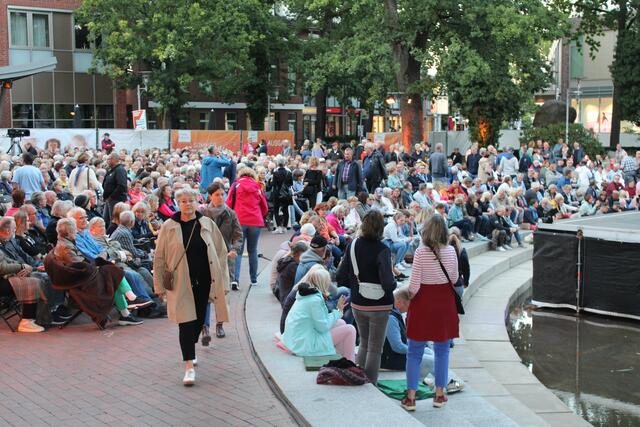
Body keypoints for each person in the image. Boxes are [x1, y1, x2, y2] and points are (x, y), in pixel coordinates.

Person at [153, 187, 230, 386]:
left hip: (204, 281)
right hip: (180, 283)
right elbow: (159, 257)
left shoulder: (207, 224)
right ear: (178, 204)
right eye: (183, 201)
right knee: (185, 323)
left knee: (198, 321)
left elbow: (221, 252)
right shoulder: (168, 226)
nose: (188, 204)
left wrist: (223, 280)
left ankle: (191, 348)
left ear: (197, 202)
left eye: (191, 200)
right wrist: (159, 285)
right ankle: (188, 365)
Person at [401, 215, 459, 411]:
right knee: (442, 351)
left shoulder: (420, 252)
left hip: (423, 304)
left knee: (414, 352)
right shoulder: (451, 251)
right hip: (444, 303)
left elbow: (414, 286)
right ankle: (439, 395)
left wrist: (408, 296)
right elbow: (454, 278)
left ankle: (411, 398)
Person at [45, 218, 143, 328]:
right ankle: (130, 301)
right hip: (83, 281)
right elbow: (79, 265)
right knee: (111, 270)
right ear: (69, 232)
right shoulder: (65, 247)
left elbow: (80, 264)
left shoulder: (66, 243)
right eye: (74, 230)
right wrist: (97, 265)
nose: (76, 232)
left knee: (111, 274)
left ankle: (126, 312)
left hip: (82, 276)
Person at [336, 210, 396, 384]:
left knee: (363, 342)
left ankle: (359, 376)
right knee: (375, 348)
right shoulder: (382, 249)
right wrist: (393, 284)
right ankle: (370, 382)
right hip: (379, 305)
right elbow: (388, 282)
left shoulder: (353, 244)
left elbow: (340, 275)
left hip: (358, 302)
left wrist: (356, 285)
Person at [381, 287, 464, 393]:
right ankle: (447, 383)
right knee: (431, 361)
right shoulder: (391, 318)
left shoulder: (394, 314)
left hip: (395, 356)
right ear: (398, 302)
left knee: (429, 351)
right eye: (408, 305)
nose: (409, 309)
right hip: (390, 360)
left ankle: (431, 380)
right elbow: (397, 347)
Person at [281, 265, 355, 362]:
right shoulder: (315, 300)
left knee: (341, 323)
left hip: (296, 340)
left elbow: (321, 321)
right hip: (304, 345)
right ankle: (349, 363)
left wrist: (338, 311)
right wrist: (338, 311)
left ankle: (341, 359)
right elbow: (322, 327)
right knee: (350, 330)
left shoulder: (307, 294)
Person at [201, 181, 242, 340]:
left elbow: (238, 234)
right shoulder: (203, 213)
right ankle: (205, 327)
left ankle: (220, 325)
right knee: (205, 293)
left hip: (224, 257)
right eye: (217, 194)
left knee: (222, 293)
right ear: (210, 196)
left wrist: (234, 249)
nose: (220, 197)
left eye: (222, 194)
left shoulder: (230, 213)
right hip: (205, 256)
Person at [226, 167, 268, 288]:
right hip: (255, 220)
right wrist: (259, 215)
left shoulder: (235, 186)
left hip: (239, 220)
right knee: (253, 250)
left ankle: (235, 279)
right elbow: (264, 206)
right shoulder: (257, 186)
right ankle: (253, 279)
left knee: (238, 250)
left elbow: (228, 203)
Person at [102, 153, 128, 227]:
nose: (107, 161)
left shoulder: (120, 170)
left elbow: (121, 185)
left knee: (114, 221)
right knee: (106, 220)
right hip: (109, 199)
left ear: (115, 159)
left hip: (116, 199)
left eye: (109, 159)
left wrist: (112, 196)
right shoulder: (111, 170)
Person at [270, 157, 293, 234]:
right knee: (286, 211)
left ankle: (279, 227)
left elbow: (274, 184)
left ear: (277, 164)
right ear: (285, 163)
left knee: (276, 210)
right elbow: (291, 184)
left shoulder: (275, 173)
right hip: (286, 193)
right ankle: (285, 227)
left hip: (277, 193)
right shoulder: (289, 173)